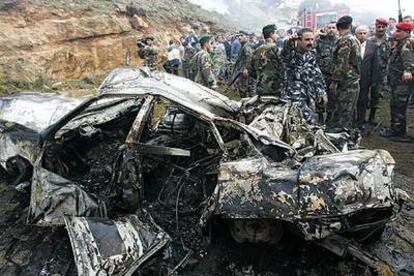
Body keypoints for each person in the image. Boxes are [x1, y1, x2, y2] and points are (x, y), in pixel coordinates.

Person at [281, 28, 327, 124]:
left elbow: (317, 73)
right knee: (295, 125)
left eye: (312, 39)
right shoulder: (291, 55)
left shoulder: (311, 55)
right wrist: (289, 42)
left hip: (309, 95)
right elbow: (286, 51)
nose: (310, 42)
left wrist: (321, 91)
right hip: (294, 98)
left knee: (310, 124)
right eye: (307, 40)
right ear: (298, 40)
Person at [380, 22, 414, 137]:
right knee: (396, 104)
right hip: (397, 81)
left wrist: (408, 70)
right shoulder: (401, 42)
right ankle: (397, 127)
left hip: (402, 83)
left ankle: (398, 130)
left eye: (399, 31)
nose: (396, 33)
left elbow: (408, 59)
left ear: (407, 32)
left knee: (398, 106)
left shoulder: (406, 44)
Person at [328, 16, 361, 130]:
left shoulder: (345, 40)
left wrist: (334, 82)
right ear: (350, 25)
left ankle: (342, 134)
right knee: (349, 108)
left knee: (343, 110)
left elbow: (342, 63)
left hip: (346, 81)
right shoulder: (353, 38)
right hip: (352, 79)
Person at [355, 25, 381, 128]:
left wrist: (374, 80)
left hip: (365, 78)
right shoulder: (351, 45)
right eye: (359, 33)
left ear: (368, 34)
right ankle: (351, 120)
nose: (362, 35)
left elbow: (375, 64)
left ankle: (361, 121)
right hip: (352, 78)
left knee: (363, 100)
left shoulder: (372, 46)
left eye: (364, 33)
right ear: (356, 34)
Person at [369, 18, 393, 123]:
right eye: (379, 27)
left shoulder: (390, 40)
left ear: (386, 28)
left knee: (376, 93)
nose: (381, 29)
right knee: (364, 93)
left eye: (383, 27)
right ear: (375, 27)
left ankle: (372, 115)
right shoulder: (369, 40)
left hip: (381, 72)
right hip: (368, 71)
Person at [249, 24, 282, 96]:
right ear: (271, 34)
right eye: (276, 33)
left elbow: (251, 71)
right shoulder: (276, 49)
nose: (278, 36)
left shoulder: (257, 50)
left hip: (260, 87)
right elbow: (283, 66)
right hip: (274, 88)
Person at [315, 21, 338, 121]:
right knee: (319, 95)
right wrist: (316, 35)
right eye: (329, 28)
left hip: (333, 75)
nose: (331, 30)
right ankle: (320, 117)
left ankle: (329, 117)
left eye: (333, 28)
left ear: (336, 29)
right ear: (325, 29)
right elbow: (310, 46)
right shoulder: (320, 41)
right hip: (321, 74)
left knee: (332, 97)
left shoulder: (339, 41)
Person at [231, 31, 254, 97]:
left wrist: (246, 69)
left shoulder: (247, 46)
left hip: (245, 72)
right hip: (242, 71)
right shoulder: (243, 46)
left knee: (245, 89)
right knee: (243, 89)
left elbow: (249, 58)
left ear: (247, 37)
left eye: (241, 35)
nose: (239, 37)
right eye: (238, 36)